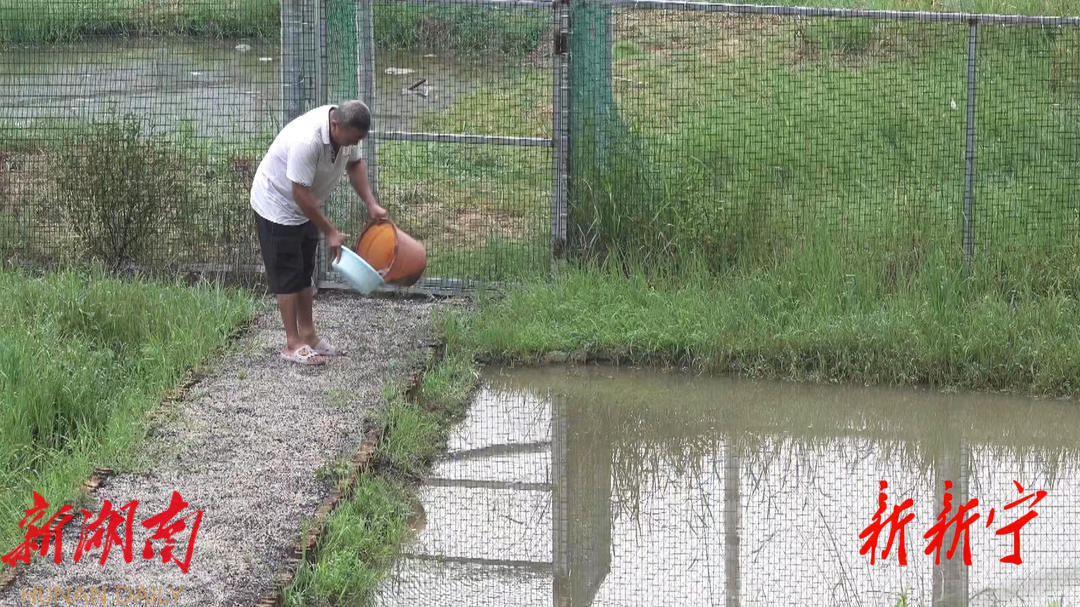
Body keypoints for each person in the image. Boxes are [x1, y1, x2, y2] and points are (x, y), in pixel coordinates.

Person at [250, 100, 388, 365]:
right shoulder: (308, 140)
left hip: (305, 204)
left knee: (304, 270)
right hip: (276, 203)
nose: (353, 144)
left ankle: (310, 336)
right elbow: (298, 193)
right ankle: (292, 343)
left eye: (358, 140)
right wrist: (330, 231)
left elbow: (354, 165)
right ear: (335, 125)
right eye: (352, 139)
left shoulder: (347, 130)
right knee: (288, 273)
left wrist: (370, 203)